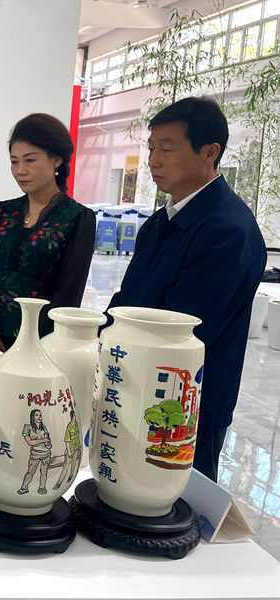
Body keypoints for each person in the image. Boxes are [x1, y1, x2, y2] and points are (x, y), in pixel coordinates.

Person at [107, 97, 267, 482]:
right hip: (134, 385)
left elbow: (183, 331)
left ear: (209, 152)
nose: (153, 161)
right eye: (151, 149)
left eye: (166, 149)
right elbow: (126, 302)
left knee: (179, 503)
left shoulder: (227, 230)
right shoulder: (161, 222)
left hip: (185, 406)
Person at [0, 113, 95, 350]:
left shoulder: (78, 218)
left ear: (56, 160)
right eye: (14, 161)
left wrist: (29, 344)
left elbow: (69, 294)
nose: (20, 170)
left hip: (43, 345)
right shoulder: (2, 211)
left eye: (30, 160)